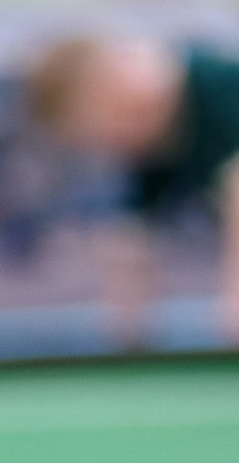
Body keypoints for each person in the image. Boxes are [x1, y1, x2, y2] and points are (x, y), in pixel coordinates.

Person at [25, 32, 239, 326]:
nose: (113, 146)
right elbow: (131, 237)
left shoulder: (218, 86)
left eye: (107, 126)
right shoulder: (160, 146)